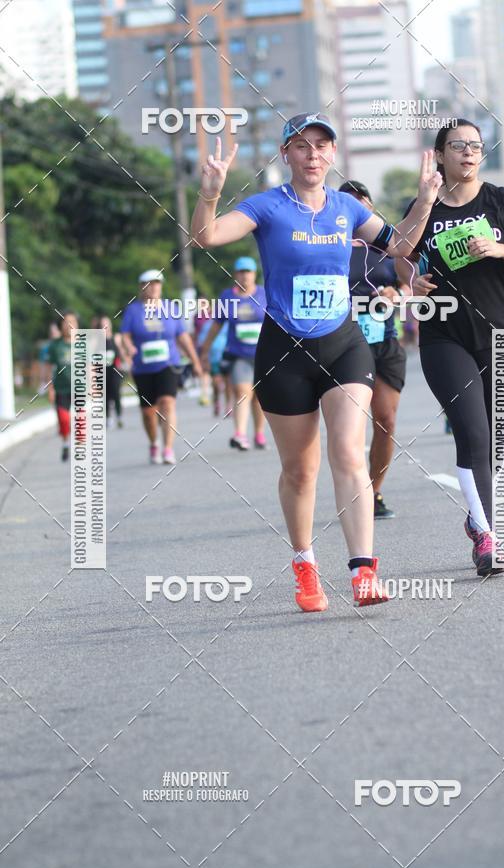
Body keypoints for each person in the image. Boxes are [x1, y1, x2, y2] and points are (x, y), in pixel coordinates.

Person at [191, 112, 441, 610]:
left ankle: (363, 570)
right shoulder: (267, 206)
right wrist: (212, 191)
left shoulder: (347, 207)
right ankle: (305, 564)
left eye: (322, 146)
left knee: (349, 451)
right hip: (283, 350)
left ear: (332, 154)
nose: (312, 155)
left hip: (343, 344)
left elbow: (399, 247)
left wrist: (427, 201)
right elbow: (207, 238)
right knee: (300, 471)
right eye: (302, 146)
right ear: (286, 154)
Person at [398, 118, 504, 576]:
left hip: (502, 332)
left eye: (475, 145)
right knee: (473, 435)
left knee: (497, 441)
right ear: (439, 154)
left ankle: (477, 514)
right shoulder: (424, 206)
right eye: (457, 145)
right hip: (444, 335)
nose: (468, 152)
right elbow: (399, 254)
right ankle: (487, 536)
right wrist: (412, 280)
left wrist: (502, 251)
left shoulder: (501, 201)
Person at [338, 180, 406, 519]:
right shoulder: (329, 247)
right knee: (351, 426)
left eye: (362, 204)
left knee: (386, 421)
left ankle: (374, 491)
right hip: (344, 343)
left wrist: (395, 295)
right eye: (349, 204)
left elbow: (407, 286)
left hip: (384, 340)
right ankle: (353, 492)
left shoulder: (388, 249)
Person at [120, 270, 202, 465]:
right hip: (143, 367)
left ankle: (167, 448)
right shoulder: (133, 311)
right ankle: (154, 443)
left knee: (167, 402)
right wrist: (128, 346)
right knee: (149, 412)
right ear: (142, 287)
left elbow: (182, 336)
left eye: (157, 283)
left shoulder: (171, 308)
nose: (155, 287)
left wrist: (195, 360)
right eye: (150, 283)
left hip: (168, 363)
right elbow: (124, 335)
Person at [200, 257, 268, 449]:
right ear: (235, 275)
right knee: (243, 391)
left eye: (248, 271)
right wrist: (205, 349)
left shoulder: (264, 294)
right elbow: (215, 326)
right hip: (239, 353)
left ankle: (259, 433)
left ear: (254, 274)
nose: (245, 275)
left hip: (263, 353)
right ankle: (240, 434)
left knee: (259, 396)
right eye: (241, 272)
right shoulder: (227, 297)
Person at [47, 312, 78, 461]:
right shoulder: (55, 346)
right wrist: (50, 388)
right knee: (64, 419)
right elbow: (49, 367)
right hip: (61, 388)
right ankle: (66, 443)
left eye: (72, 321)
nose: (69, 325)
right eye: (66, 322)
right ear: (61, 326)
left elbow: (90, 365)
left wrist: (94, 386)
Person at [195, 299, 229, 415]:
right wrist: (204, 353)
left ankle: (228, 404)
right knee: (216, 381)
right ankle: (217, 401)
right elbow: (202, 340)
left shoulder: (227, 323)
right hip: (213, 356)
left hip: (226, 355)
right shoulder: (207, 325)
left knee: (227, 380)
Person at [99, 315, 125, 427]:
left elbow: (122, 353)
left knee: (116, 393)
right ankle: (108, 418)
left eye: (106, 324)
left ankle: (119, 416)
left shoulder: (116, 338)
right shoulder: (97, 339)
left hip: (115, 370)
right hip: (103, 371)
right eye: (102, 325)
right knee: (105, 396)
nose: (104, 326)